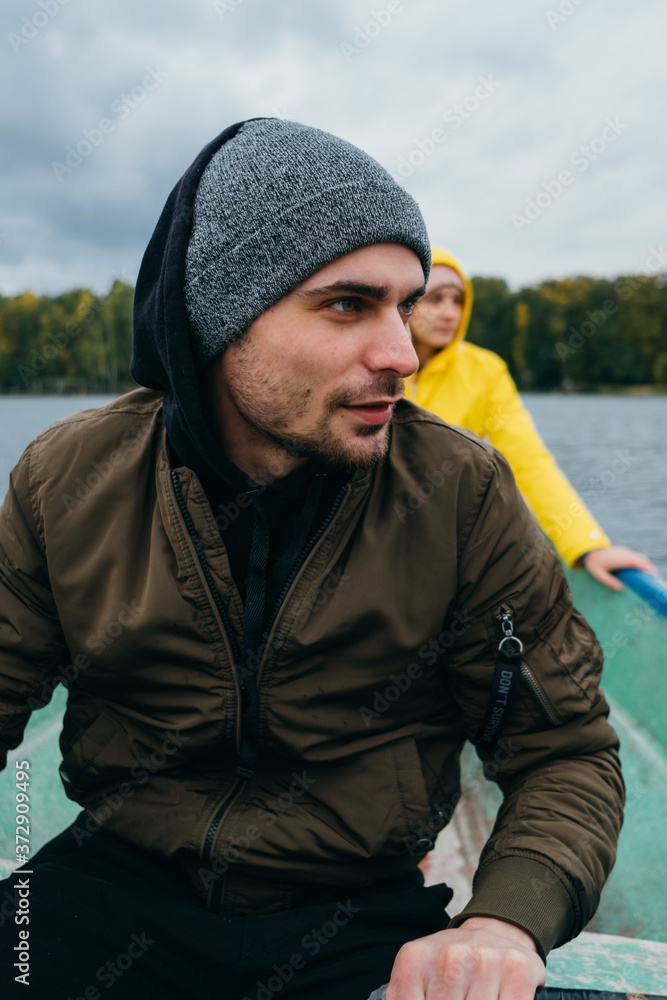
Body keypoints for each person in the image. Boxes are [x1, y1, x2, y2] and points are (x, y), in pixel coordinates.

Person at [0, 119, 623, 1000]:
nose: (402, 354)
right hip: (108, 887)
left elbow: (563, 751)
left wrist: (502, 923)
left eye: (404, 306)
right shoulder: (68, 477)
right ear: (219, 316)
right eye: (347, 305)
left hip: (355, 917)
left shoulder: (458, 493)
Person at [407, 247, 657, 591]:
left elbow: (528, 461)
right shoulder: (376, 363)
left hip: (448, 546)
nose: (450, 312)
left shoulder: (485, 371)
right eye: (435, 299)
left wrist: (588, 544)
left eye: (458, 300)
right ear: (406, 299)